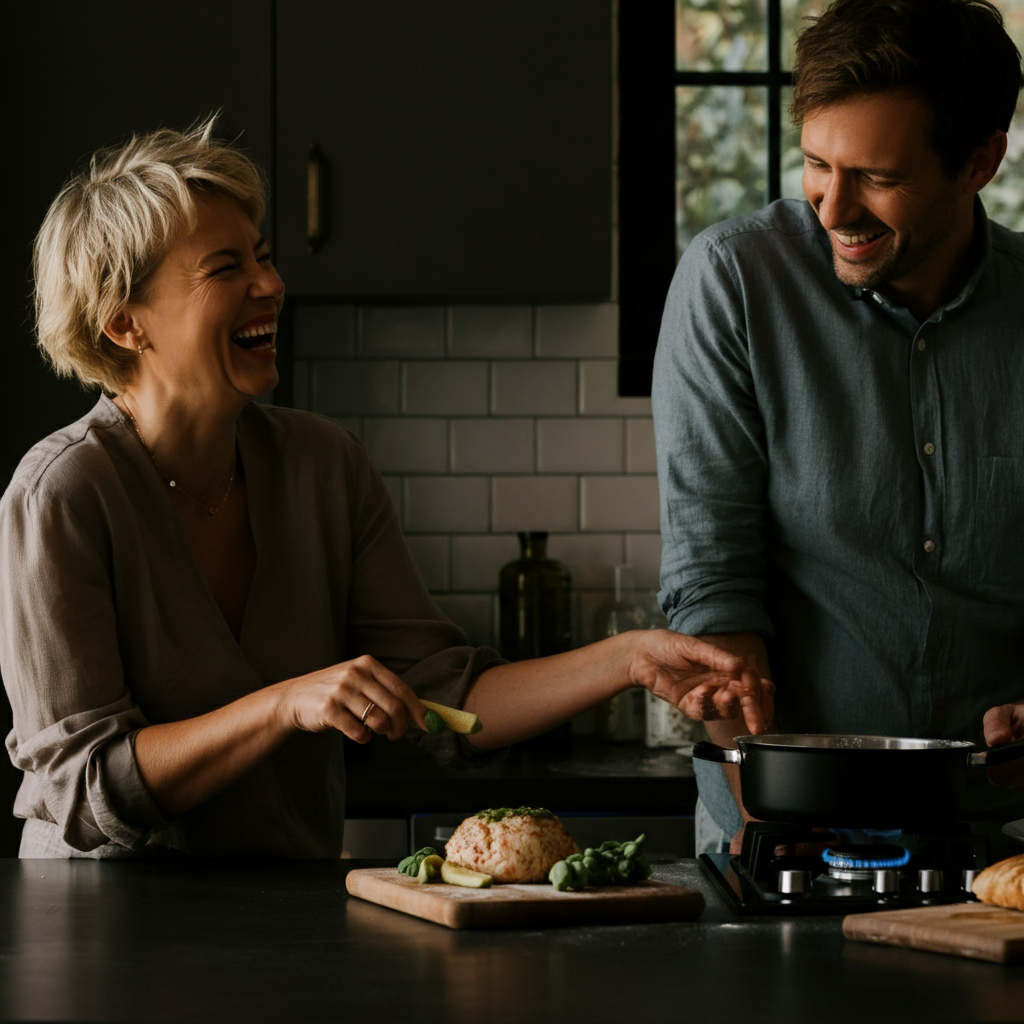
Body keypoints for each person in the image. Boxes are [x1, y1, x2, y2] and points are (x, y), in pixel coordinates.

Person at [0, 119, 771, 860]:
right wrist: (283, 704)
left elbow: (450, 699)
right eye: (226, 269)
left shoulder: (324, 466)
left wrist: (630, 659)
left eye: (262, 257)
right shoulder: (64, 494)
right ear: (124, 324)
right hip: (103, 927)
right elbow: (84, 787)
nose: (271, 283)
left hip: (281, 918)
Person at [653, 0, 1024, 859]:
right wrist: (767, 785)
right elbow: (715, 572)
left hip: (1002, 836)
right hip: (784, 826)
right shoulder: (734, 284)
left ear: (980, 163)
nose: (831, 208)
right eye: (818, 164)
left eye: (878, 178)